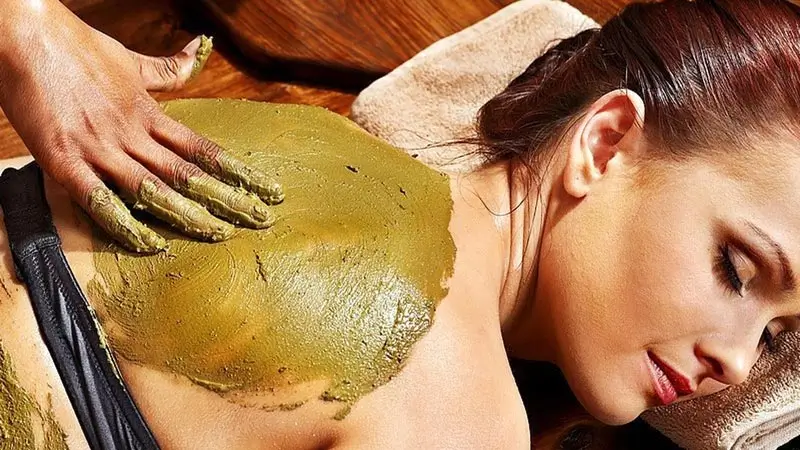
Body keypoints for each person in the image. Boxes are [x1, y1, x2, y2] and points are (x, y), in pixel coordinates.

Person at [1, 0, 799, 448]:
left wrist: (31, 29)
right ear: (605, 141)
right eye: (735, 267)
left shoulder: (305, 142)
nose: (734, 365)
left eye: (774, 337)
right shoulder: (462, 417)